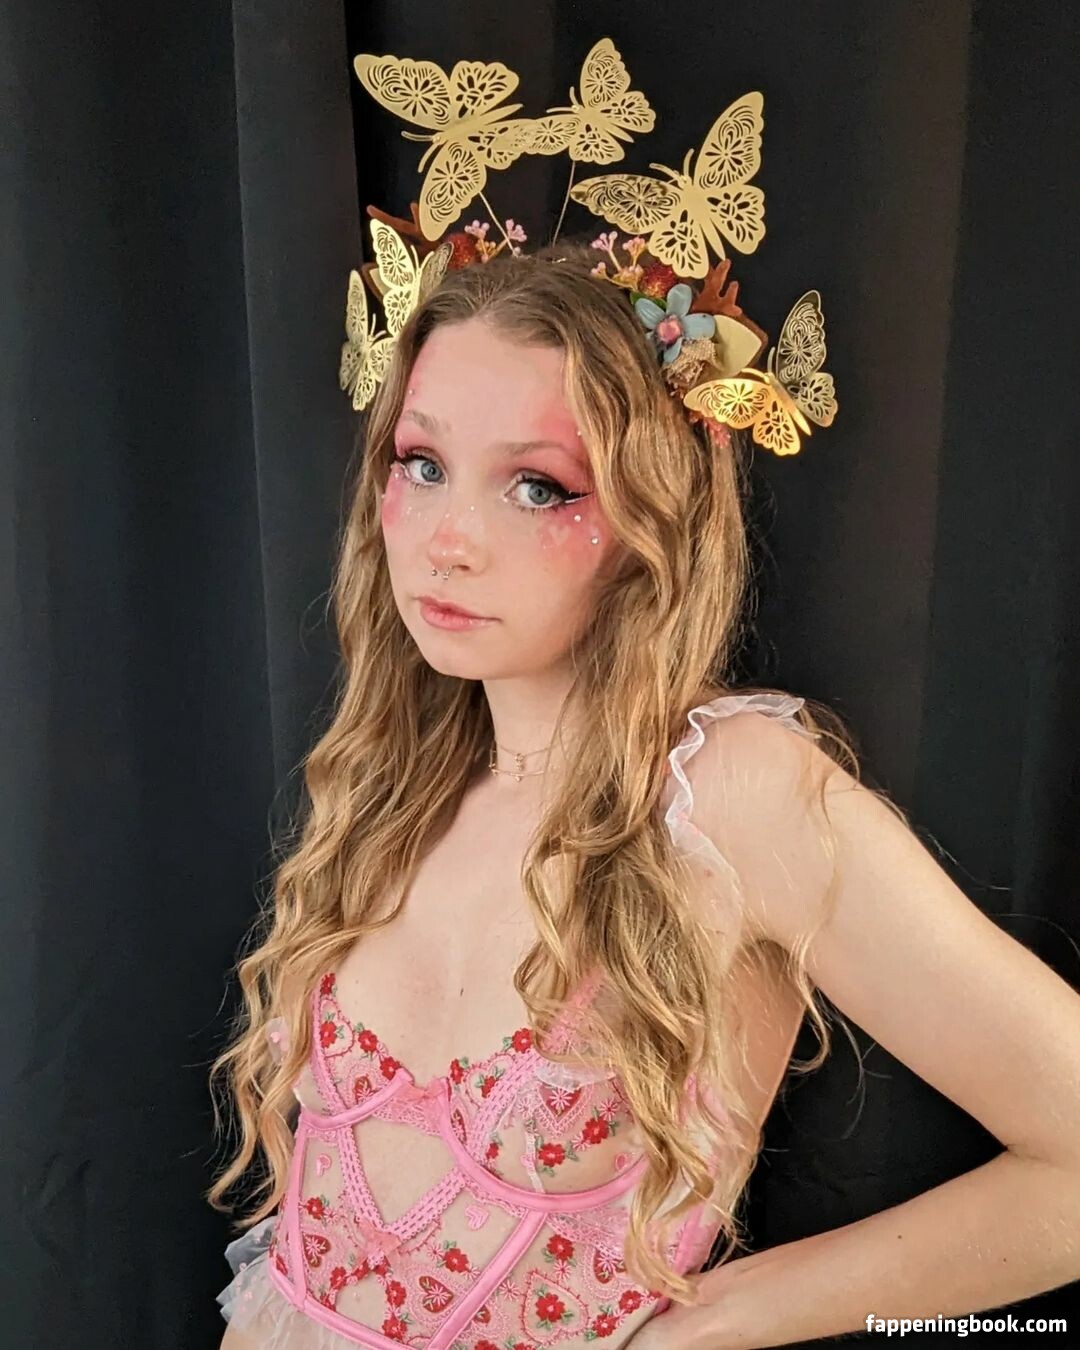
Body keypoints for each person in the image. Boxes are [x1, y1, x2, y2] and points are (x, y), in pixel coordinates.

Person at [207, 242, 1080, 1350]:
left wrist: (699, 1331)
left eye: (537, 487)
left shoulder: (733, 798)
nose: (447, 541)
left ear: (651, 511)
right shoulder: (398, 777)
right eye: (422, 464)